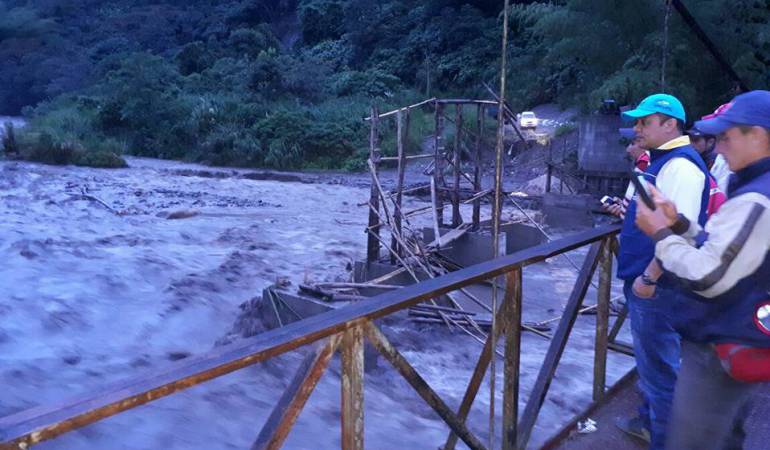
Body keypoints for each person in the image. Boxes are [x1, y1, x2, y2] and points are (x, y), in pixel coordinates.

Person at [635, 89, 770, 450]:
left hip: (724, 339)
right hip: (739, 332)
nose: (719, 147)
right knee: (724, 434)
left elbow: (708, 277)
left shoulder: (758, 197)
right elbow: (722, 247)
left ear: (757, 135)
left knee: (694, 437)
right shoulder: (754, 185)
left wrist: (659, 234)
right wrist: (677, 223)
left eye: (727, 136)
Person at [614, 93, 712, 450]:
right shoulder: (658, 160)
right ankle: (648, 422)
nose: (637, 128)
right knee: (652, 363)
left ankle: (666, 440)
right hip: (645, 278)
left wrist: (649, 278)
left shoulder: (681, 167)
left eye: (645, 122)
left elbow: (679, 235)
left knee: (661, 373)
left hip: (658, 285)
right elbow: (649, 211)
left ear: (670, 124)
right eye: (637, 122)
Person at [604, 128, 649, 219]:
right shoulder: (646, 163)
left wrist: (623, 211)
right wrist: (624, 205)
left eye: (633, 144)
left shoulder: (644, 164)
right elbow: (639, 200)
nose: (628, 150)